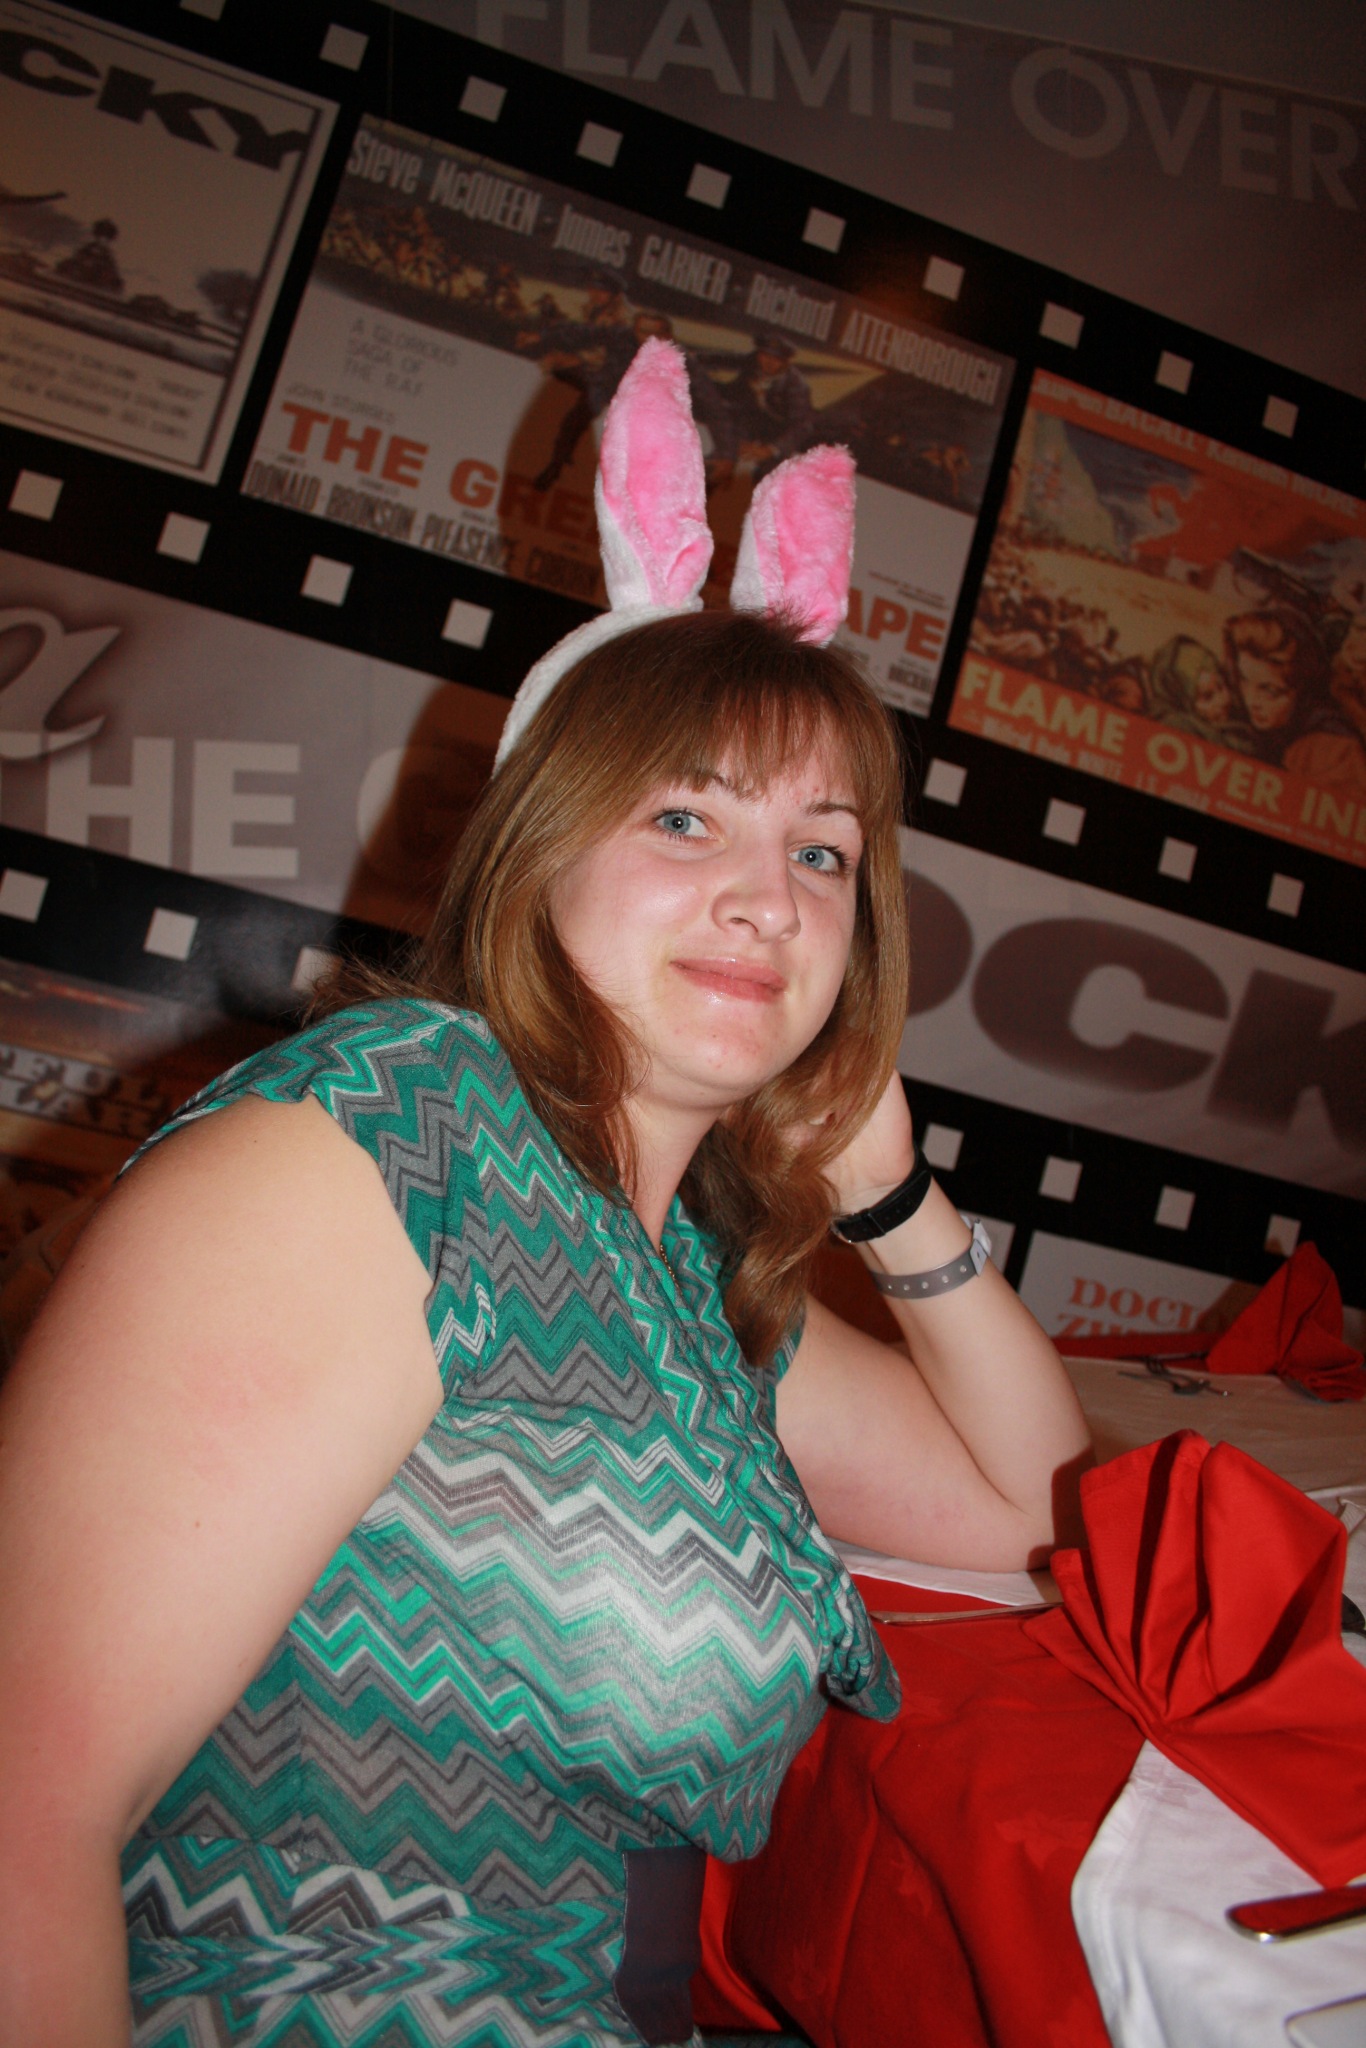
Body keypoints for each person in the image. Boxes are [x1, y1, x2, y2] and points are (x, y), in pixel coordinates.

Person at [0, 344, 1090, 2048]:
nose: (770, 899)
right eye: (686, 819)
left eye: (820, 851)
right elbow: (20, 1815)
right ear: (539, 847)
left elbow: (1048, 1526)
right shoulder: (378, 1153)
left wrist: (894, 1204)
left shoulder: (679, 1263)